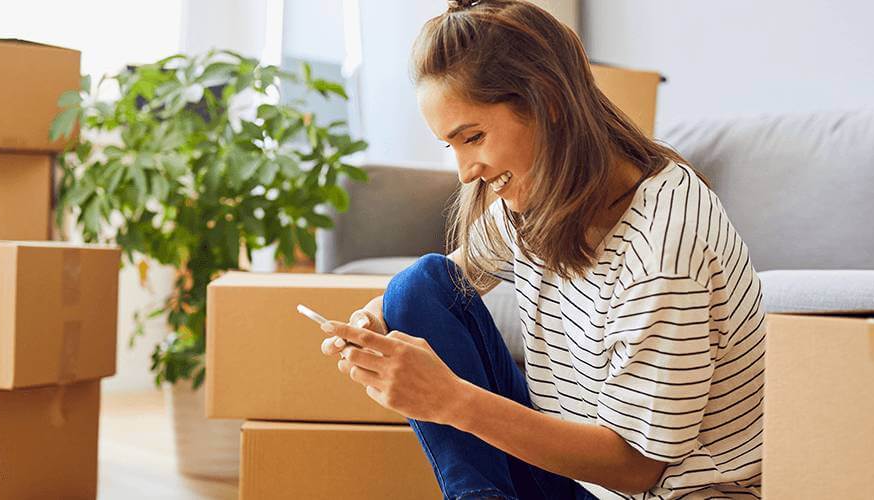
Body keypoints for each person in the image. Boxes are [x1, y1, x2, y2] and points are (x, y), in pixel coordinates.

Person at [319, 1, 765, 498]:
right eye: (453, 146)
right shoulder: (536, 201)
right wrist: (376, 322)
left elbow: (638, 468)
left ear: (547, 102)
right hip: (578, 486)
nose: (466, 171)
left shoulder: (664, 248)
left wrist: (450, 400)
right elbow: (453, 277)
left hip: (657, 490)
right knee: (416, 286)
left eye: (474, 136)